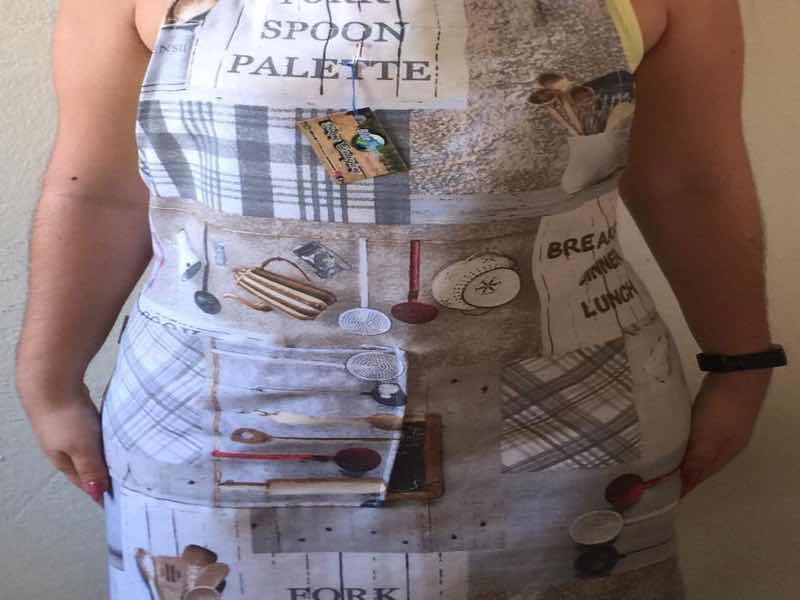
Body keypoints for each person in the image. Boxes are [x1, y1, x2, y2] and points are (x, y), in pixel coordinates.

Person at [14, 0, 783, 598]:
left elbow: (691, 182)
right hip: (214, 425)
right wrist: (49, 379)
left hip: (562, 432)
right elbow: (99, 192)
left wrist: (742, 364)